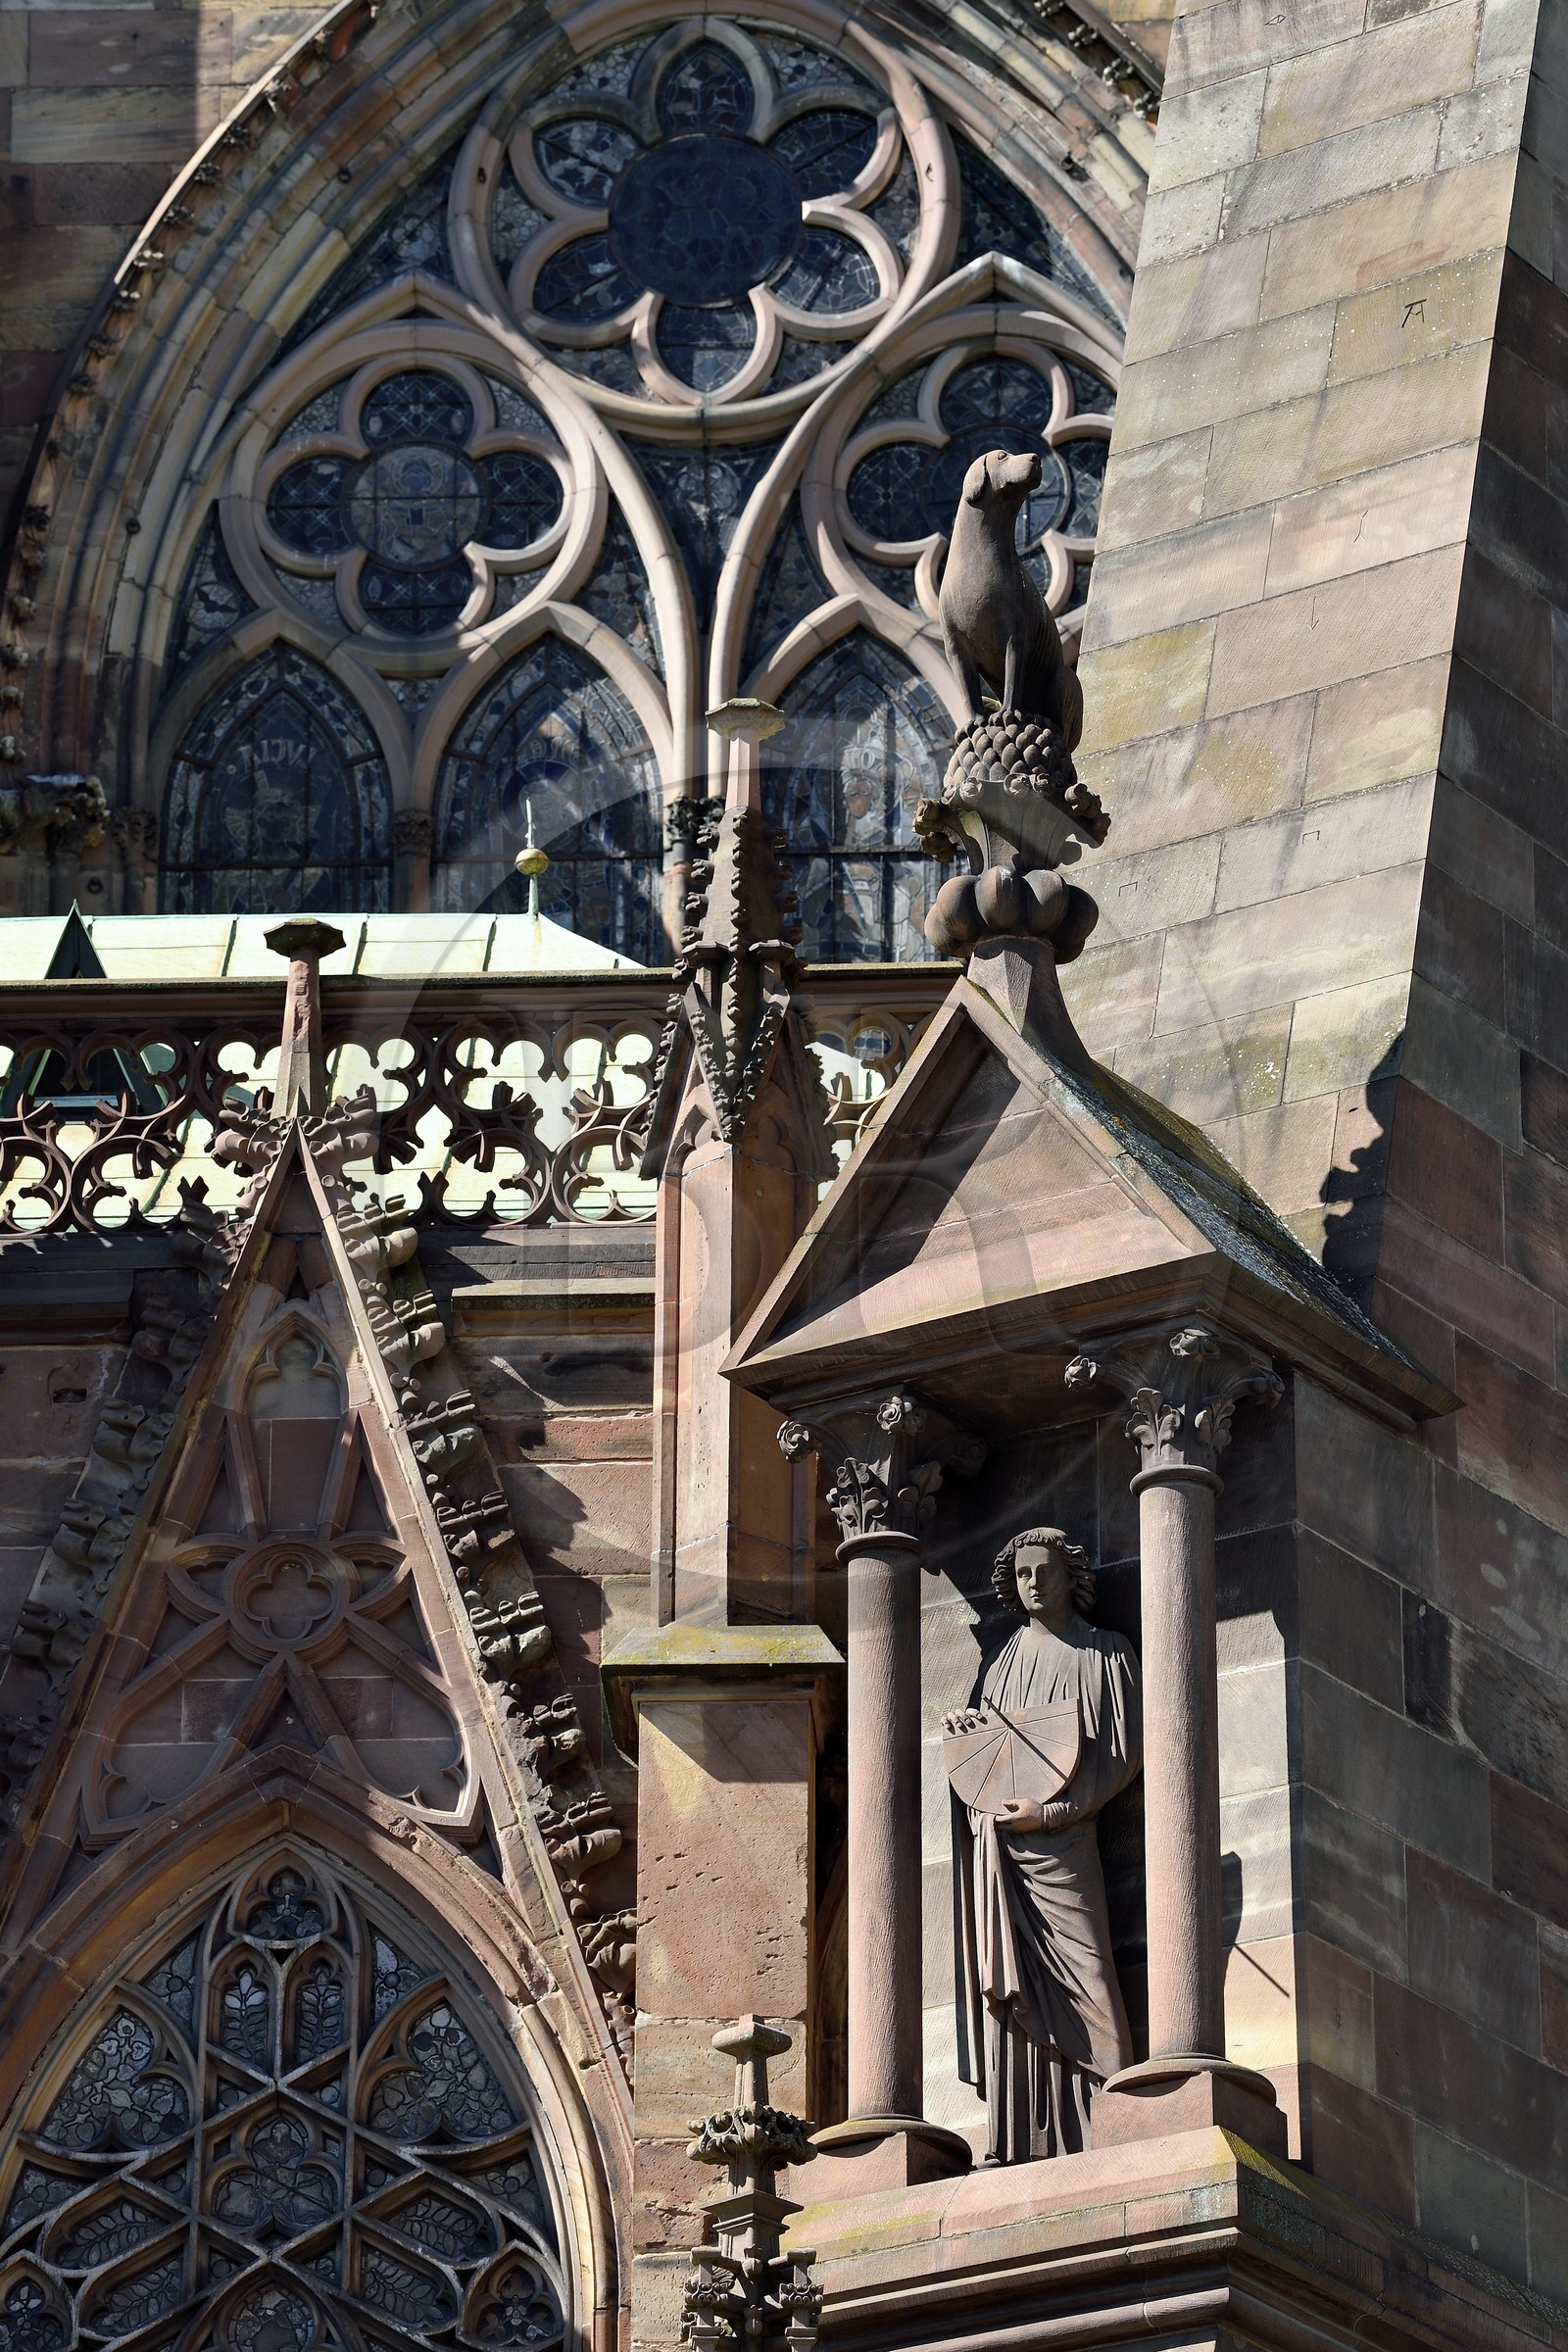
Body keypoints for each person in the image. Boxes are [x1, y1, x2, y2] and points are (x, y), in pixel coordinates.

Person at [945, 1526, 1142, 2163]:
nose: (1033, 1583)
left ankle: (1114, 2106)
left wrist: (1053, 1812)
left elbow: (1121, 1757)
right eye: (1023, 1574)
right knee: (1015, 1987)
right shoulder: (1002, 1663)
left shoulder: (1105, 1654)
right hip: (1006, 1850)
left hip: (1064, 1841)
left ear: (1069, 1574)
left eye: (1044, 1571)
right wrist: (963, 1730)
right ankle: (1026, 2131)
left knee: (1088, 1971)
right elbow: (989, 1760)